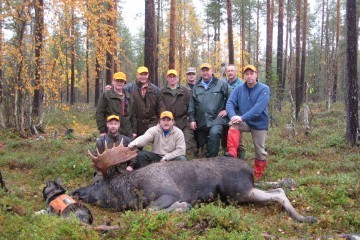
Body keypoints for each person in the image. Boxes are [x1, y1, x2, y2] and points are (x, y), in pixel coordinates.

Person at [225, 64, 270, 181]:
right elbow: (230, 103)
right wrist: (233, 116)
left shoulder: (264, 89)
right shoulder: (239, 89)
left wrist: (242, 117)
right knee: (233, 124)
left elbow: (258, 109)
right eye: (246, 74)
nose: (249, 76)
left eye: (252, 73)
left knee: (259, 151)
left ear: (256, 74)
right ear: (244, 76)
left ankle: (258, 175)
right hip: (244, 121)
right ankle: (232, 153)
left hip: (259, 124)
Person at [188, 63, 231, 158]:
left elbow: (231, 98)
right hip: (201, 120)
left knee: (214, 134)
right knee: (202, 143)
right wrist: (192, 119)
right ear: (200, 72)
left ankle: (212, 161)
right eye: (203, 70)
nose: (205, 73)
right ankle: (204, 159)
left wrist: (227, 110)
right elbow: (192, 105)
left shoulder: (221, 83)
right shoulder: (196, 87)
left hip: (217, 119)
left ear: (212, 71)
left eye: (207, 70)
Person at [158, 69, 197, 154]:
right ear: (167, 78)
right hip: (168, 121)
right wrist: (168, 120)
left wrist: (190, 119)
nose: (172, 79)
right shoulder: (162, 91)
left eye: (174, 77)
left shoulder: (185, 90)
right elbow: (161, 107)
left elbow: (190, 106)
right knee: (169, 144)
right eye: (170, 77)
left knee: (188, 143)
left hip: (183, 120)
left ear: (177, 78)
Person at [92, 115, 135, 182]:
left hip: (122, 170)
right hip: (106, 171)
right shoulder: (101, 141)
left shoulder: (126, 140)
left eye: (115, 124)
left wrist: (131, 166)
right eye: (111, 124)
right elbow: (95, 157)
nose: (113, 126)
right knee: (97, 184)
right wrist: (102, 168)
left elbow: (134, 154)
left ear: (119, 125)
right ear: (107, 125)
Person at [96, 72, 137, 139]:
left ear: (124, 83)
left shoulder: (129, 97)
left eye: (122, 81)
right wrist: (102, 131)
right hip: (111, 132)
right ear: (113, 82)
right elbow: (99, 113)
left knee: (127, 149)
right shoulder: (106, 95)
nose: (119, 83)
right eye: (117, 80)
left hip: (127, 132)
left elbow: (133, 116)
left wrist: (134, 131)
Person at [123, 66, 160, 136]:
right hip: (136, 124)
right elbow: (117, 90)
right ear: (137, 75)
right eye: (141, 74)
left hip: (152, 123)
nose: (143, 76)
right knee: (135, 145)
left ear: (148, 75)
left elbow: (160, 107)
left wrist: (160, 121)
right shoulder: (129, 88)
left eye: (145, 74)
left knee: (157, 145)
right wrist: (109, 89)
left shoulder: (156, 90)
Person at [222, 64, 246, 159]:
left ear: (236, 72)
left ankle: (241, 162)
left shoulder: (241, 85)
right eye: (228, 71)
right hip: (225, 116)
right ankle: (229, 162)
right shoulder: (224, 83)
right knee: (226, 140)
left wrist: (229, 111)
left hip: (237, 116)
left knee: (238, 142)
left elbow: (242, 102)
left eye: (232, 71)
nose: (230, 73)